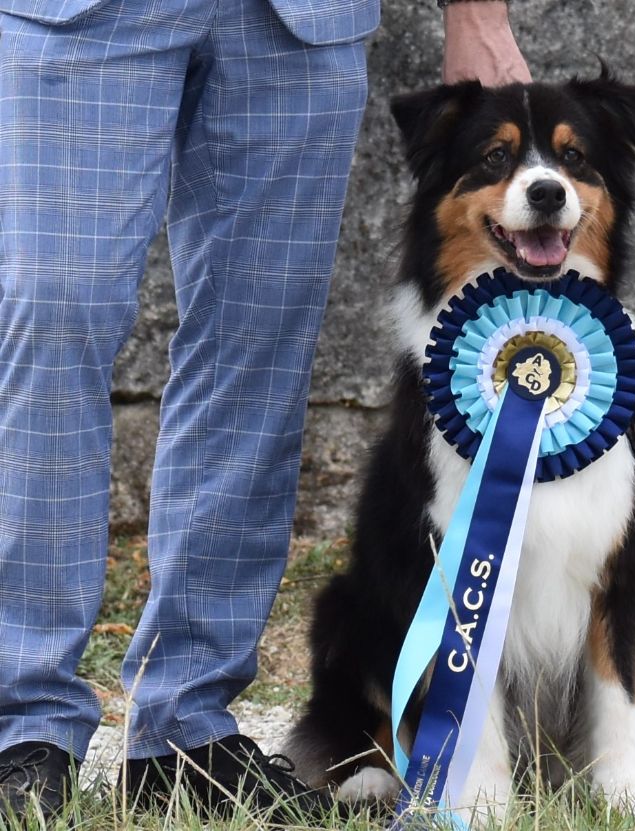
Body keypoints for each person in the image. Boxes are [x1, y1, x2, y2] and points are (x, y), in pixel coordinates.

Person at [0, 0, 529, 822]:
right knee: (51, 316)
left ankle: (186, 730)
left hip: (295, 19)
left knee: (260, 345)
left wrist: (476, 11)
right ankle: (21, 722)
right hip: (81, 16)